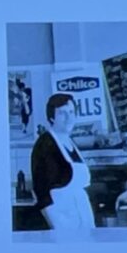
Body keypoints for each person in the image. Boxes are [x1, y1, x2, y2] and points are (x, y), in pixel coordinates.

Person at [30, 91, 96, 234]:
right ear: (52, 117)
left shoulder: (70, 142)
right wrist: (56, 227)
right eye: (62, 113)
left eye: (71, 112)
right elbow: (41, 192)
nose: (68, 118)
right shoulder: (45, 144)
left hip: (82, 214)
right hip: (61, 218)